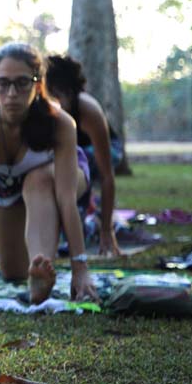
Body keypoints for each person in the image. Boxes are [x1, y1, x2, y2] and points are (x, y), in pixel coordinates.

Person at [0, 42, 98, 304]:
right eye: (3, 83)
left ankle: (41, 270)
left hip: (56, 179)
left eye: (22, 83)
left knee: (36, 180)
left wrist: (80, 268)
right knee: (12, 272)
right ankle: (32, 270)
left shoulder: (60, 123)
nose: (12, 93)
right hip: (2, 186)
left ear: (38, 84)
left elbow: (66, 198)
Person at [44, 54, 121, 255]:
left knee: (75, 164)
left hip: (101, 151)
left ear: (69, 91)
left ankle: (93, 219)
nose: (54, 103)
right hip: (69, 154)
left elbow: (107, 176)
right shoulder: (41, 109)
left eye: (58, 95)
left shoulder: (89, 111)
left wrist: (107, 230)